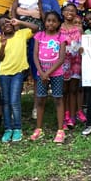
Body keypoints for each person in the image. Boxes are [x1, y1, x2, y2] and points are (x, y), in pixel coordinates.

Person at [0, 15, 38, 143]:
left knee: (15, 101)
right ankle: (8, 129)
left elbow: (36, 28)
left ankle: (17, 128)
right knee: (6, 101)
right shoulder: (0, 39)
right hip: (4, 73)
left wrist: (19, 21)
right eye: (3, 24)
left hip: (18, 73)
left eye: (8, 22)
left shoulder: (21, 34)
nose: (6, 25)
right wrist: (3, 45)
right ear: (1, 29)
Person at [30, 11, 66, 143]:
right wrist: (41, 72)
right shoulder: (39, 36)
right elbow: (35, 55)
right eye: (48, 20)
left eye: (54, 21)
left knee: (58, 99)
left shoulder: (61, 37)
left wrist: (48, 72)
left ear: (58, 23)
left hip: (56, 73)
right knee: (40, 99)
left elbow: (61, 58)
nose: (50, 23)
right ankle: (38, 128)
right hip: (41, 74)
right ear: (44, 22)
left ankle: (60, 130)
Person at [11, 0, 43, 120]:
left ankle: (36, 106)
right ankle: (14, 107)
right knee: (19, 71)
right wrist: (16, 21)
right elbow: (13, 13)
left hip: (35, 32)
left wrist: (23, 12)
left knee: (36, 70)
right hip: (21, 34)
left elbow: (40, 15)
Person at [60, 3, 84, 127]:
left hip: (76, 61)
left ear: (76, 14)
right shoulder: (59, 28)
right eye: (67, 10)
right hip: (63, 62)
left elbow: (84, 44)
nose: (70, 12)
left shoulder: (79, 29)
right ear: (63, 12)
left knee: (73, 89)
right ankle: (65, 115)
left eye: (73, 11)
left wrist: (82, 49)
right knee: (64, 90)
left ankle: (73, 116)